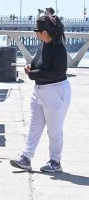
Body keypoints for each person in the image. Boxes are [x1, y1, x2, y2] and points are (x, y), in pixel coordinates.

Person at [10, 15, 70, 172]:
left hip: (56, 92)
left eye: (36, 30)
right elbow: (38, 63)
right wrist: (30, 66)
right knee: (34, 127)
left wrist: (33, 74)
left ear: (44, 32)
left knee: (54, 130)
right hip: (39, 91)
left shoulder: (59, 49)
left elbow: (58, 72)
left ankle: (55, 161)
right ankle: (26, 157)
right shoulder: (43, 45)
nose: (35, 33)